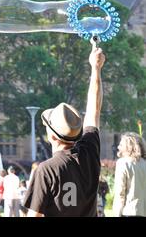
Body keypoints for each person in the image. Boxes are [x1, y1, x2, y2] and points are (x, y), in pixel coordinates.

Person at [23, 42, 105, 217]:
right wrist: (96, 68)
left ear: (51, 136)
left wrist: (95, 67)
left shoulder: (46, 170)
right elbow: (94, 110)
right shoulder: (89, 153)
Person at [112, 132, 146, 217]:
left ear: (128, 146)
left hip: (129, 212)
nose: (118, 147)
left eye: (121, 145)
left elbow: (120, 194)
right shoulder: (144, 164)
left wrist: (117, 214)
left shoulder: (123, 163)